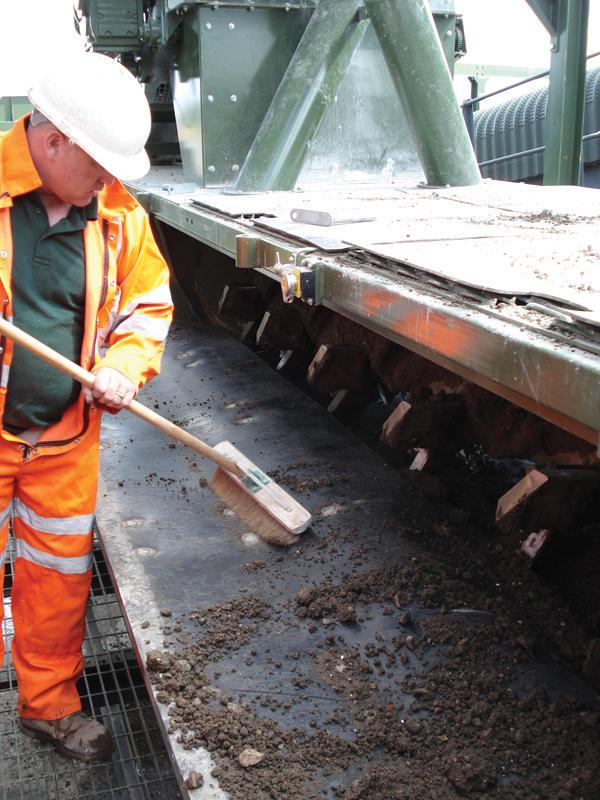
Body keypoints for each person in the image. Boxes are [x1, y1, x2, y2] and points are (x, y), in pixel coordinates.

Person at [0, 52, 173, 762]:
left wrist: (123, 368)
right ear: (53, 139)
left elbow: (147, 305)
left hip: (66, 443)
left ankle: (49, 707)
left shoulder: (117, 217)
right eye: (98, 163)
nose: (108, 179)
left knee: (58, 587)